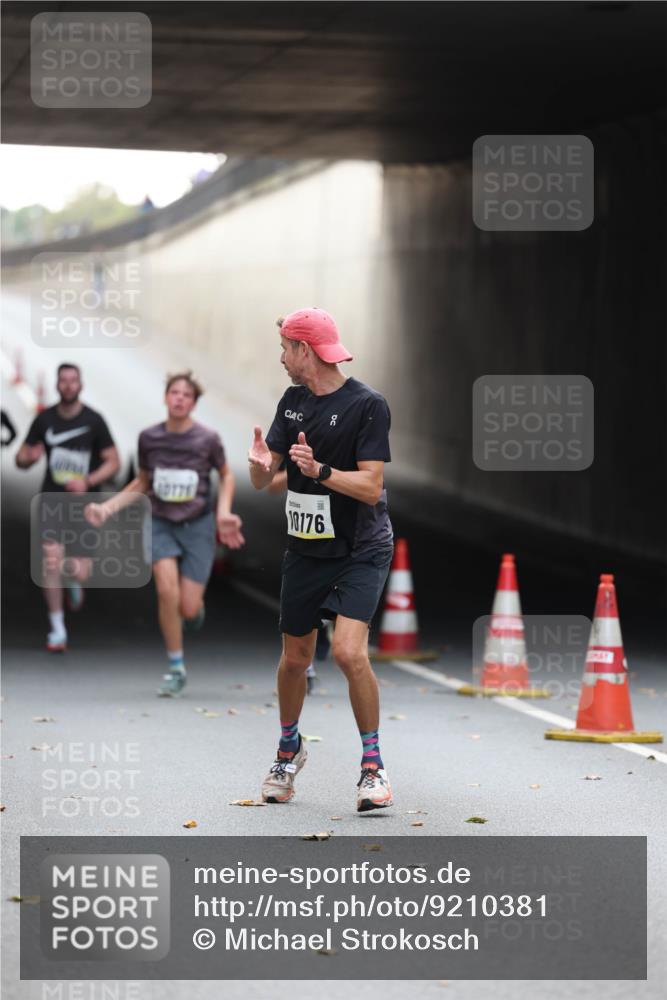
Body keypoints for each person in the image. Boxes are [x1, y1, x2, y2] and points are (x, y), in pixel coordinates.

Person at [248, 307, 394, 812]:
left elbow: (372, 487)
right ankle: (289, 750)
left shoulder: (368, 406)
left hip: (361, 548)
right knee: (295, 660)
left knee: (351, 654)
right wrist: (262, 467)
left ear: (305, 351)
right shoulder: (292, 403)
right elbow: (264, 480)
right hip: (307, 549)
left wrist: (322, 470)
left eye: (286, 347)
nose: (282, 358)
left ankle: (372, 768)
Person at [85, 371, 244, 696]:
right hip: (160, 522)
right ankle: (175, 667)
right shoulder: (149, 438)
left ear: (194, 402)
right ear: (165, 398)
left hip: (198, 524)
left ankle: (193, 610)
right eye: (175, 392)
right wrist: (107, 508)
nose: (180, 398)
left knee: (186, 607)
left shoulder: (207, 439)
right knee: (166, 591)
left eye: (187, 394)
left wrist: (224, 511)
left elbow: (226, 476)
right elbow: (143, 481)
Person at [15, 363, 120, 652]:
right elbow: (21, 459)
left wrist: (88, 481)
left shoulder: (94, 421)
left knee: (80, 571)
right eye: (64, 381)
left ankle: (73, 579)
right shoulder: (44, 420)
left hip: (85, 505)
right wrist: (29, 457)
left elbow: (114, 461)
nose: (69, 385)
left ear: (81, 385)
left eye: (74, 381)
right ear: (57, 385)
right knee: (51, 557)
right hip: (52, 500)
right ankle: (57, 628)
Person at [267, 467, 330, 694]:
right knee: (301, 612)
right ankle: (307, 670)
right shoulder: (295, 440)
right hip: (305, 540)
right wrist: (300, 469)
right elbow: (271, 486)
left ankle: (325, 626)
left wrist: (324, 471)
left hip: (343, 539)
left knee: (329, 606)